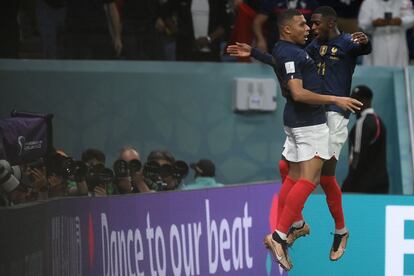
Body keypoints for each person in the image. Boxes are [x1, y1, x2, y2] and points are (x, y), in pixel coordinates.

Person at [227, 9, 362, 271]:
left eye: (314, 23)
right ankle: (294, 228)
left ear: (330, 24)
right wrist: (256, 53)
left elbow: (286, 60)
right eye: (305, 23)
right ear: (289, 29)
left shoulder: (343, 45)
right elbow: (289, 69)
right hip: (315, 115)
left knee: (320, 178)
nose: (310, 27)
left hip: (332, 117)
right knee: (301, 175)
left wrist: (363, 42)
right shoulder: (301, 49)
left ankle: (337, 230)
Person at [342, 85, 389, 194]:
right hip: (381, 184)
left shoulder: (362, 123)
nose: (352, 103)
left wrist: (348, 183)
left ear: (364, 101)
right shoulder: (378, 121)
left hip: (362, 186)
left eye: (356, 99)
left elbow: (357, 156)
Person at [160, 0, 229, 61]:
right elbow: (165, 12)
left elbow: (225, 23)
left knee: (212, 74)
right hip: (185, 51)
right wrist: (178, 32)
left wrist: (209, 39)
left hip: (212, 52)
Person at [358, 0, 414, 66]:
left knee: (399, 72)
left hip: (398, 47)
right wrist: (373, 23)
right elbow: (362, 24)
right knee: (376, 72)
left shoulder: (404, 1)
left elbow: (412, 18)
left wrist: (400, 21)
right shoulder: (368, 2)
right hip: (376, 46)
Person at [252, 0, 318, 53]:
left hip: (304, 47)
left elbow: (318, 23)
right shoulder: (272, 1)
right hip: (276, 46)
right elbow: (257, 22)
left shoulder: (311, 2)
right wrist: (260, 40)